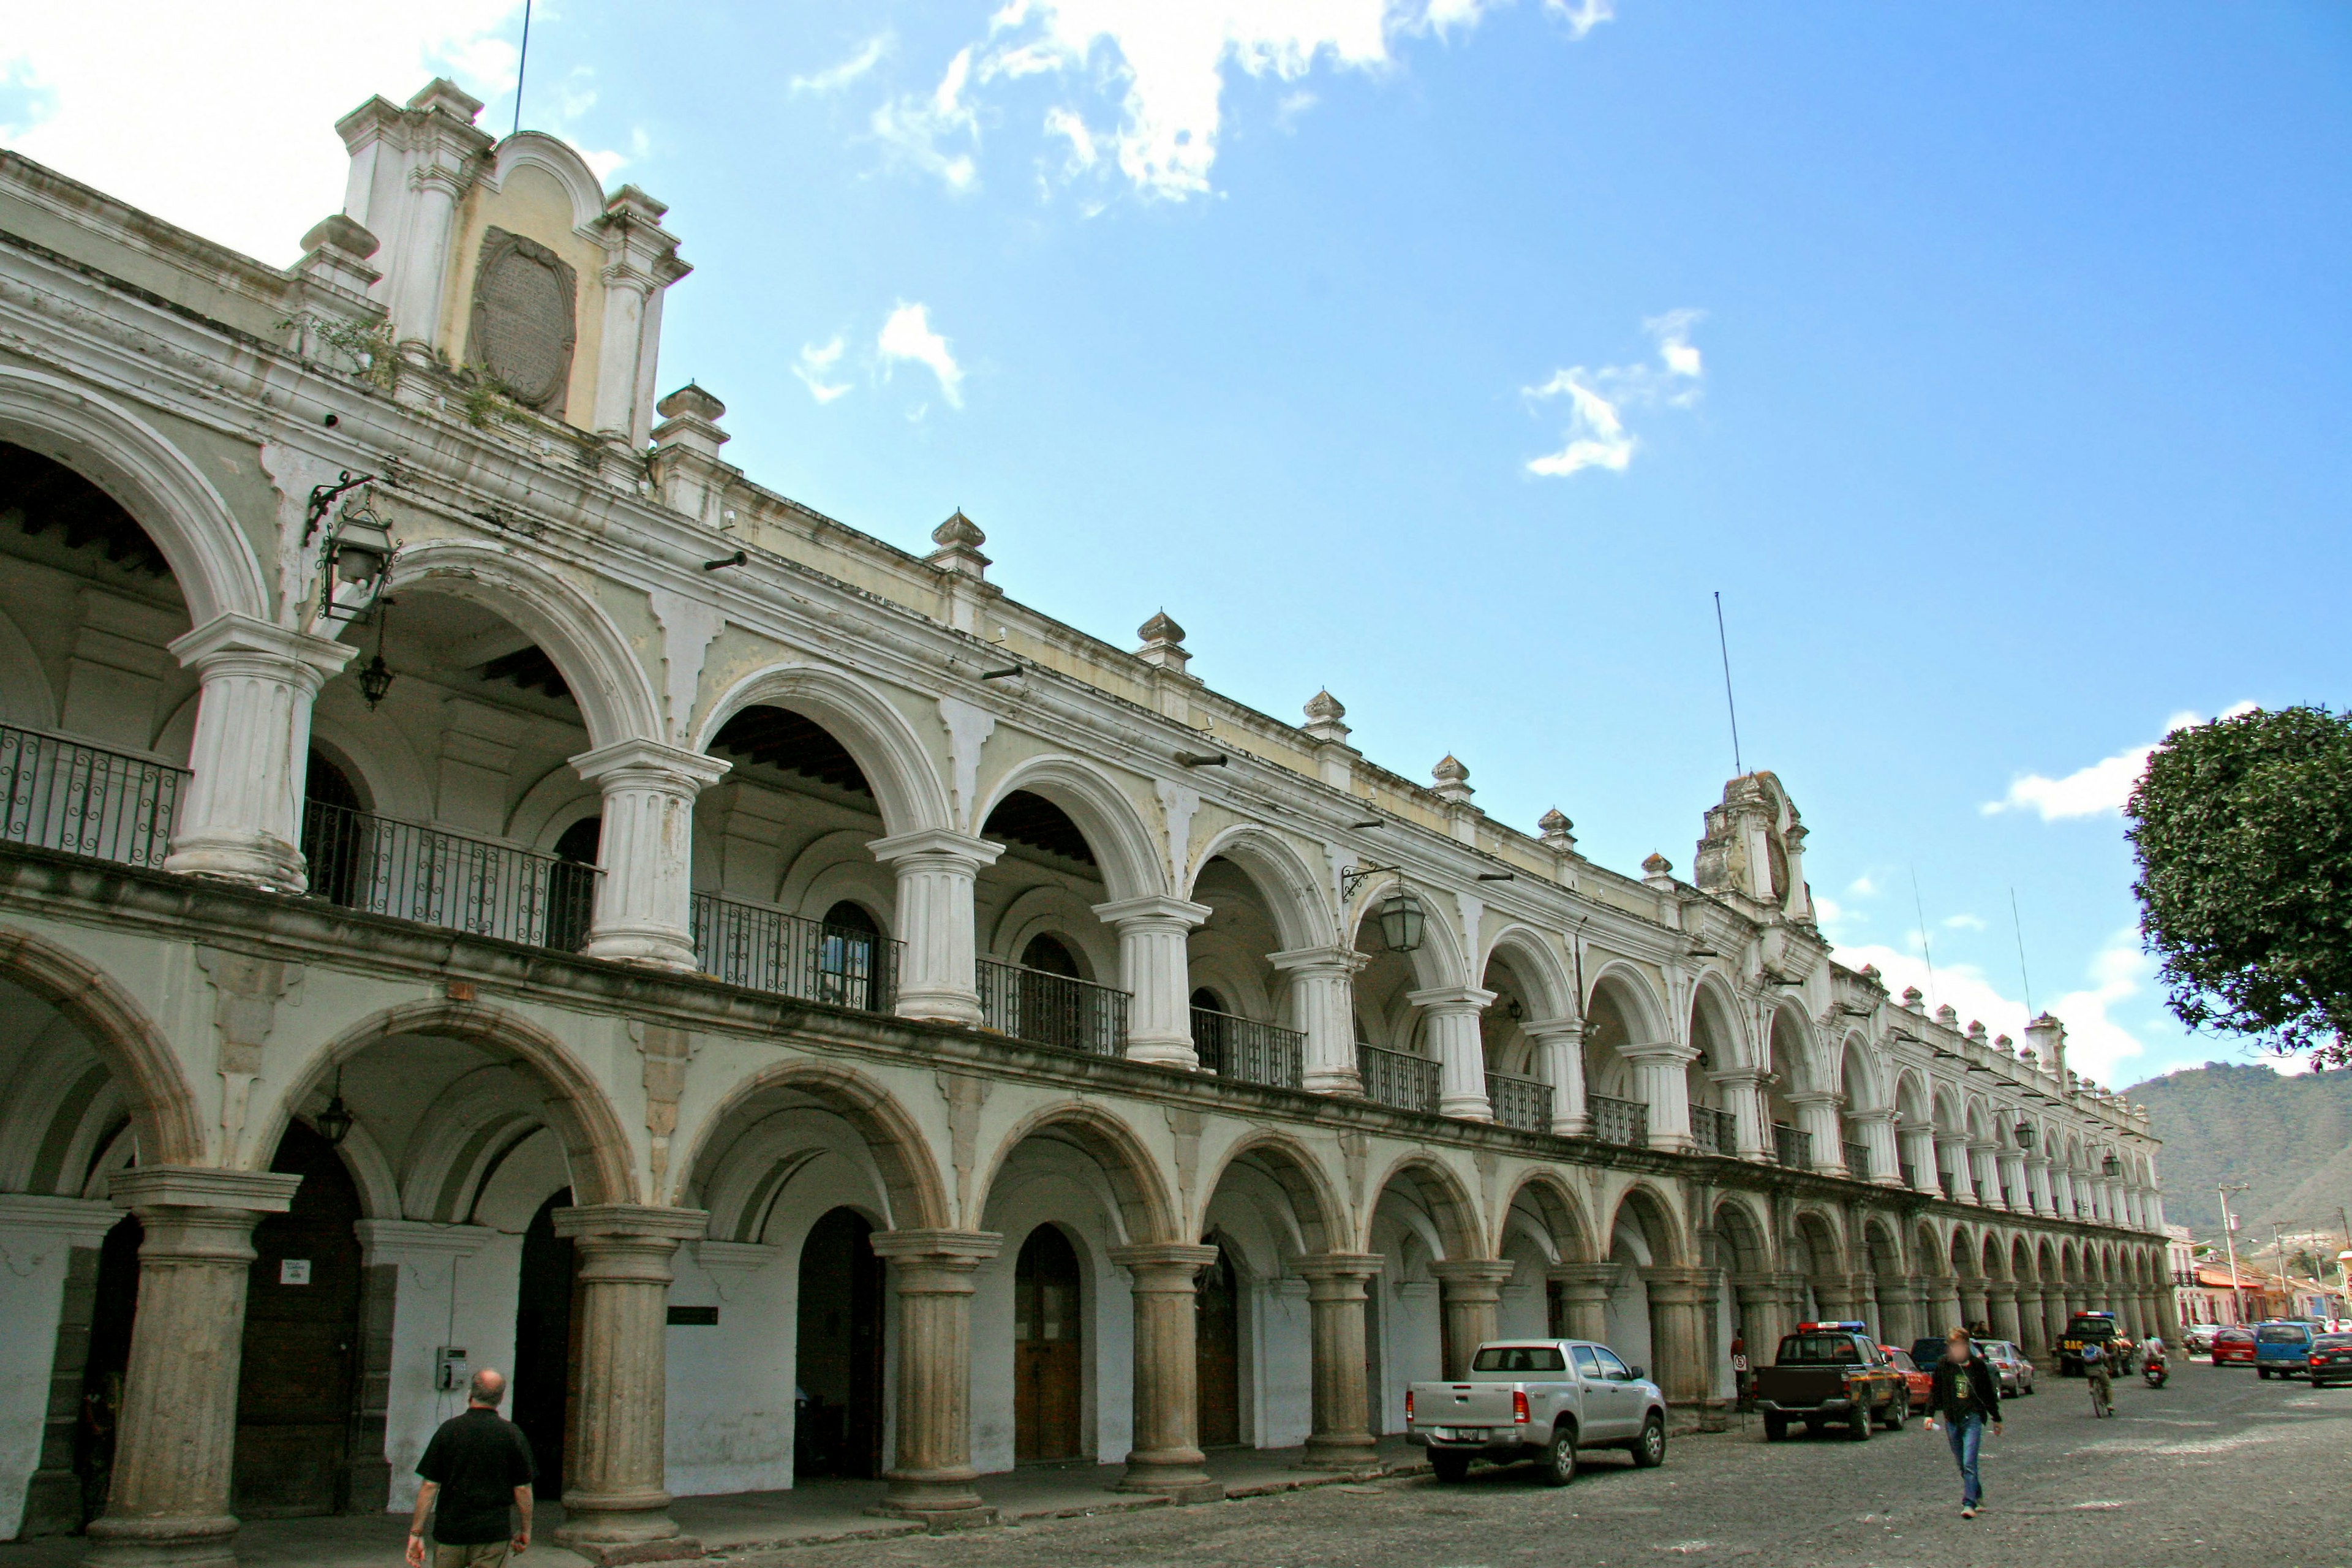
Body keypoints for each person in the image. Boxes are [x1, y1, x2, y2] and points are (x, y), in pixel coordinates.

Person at [407, 1368, 535, 1567]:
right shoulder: (512, 1434)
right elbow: (522, 1489)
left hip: (451, 1532)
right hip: (492, 1534)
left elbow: (430, 1486)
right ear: (501, 1398)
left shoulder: (448, 1431)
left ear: (470, 1394)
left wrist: (416, 1533)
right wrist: (525, 1529)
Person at [1921, 1327, 2003, 1518]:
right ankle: (1977, 1494)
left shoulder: (1977, 1366)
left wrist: (1996, 1418)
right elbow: (1936, 1391)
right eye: (1951, 1346)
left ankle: (1969, 1504)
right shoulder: (1944, 1364)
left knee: (1969, 1462)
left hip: (1973, 1418)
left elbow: (1988, 1394)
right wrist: (1929, 1414)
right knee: (1962, 1464)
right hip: (1952, 1419)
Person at [2081, 1337, 2114, 1417]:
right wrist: (2110, 1369)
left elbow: (2083, 1361)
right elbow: (2106, 1359)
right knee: (2107, 1386)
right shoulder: (2099, 1349)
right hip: (2100, 1370)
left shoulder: (2084, 1350)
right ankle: (2109, 1404)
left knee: (2090, 1375)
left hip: (2088, 1370)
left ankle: (2091, 1388)